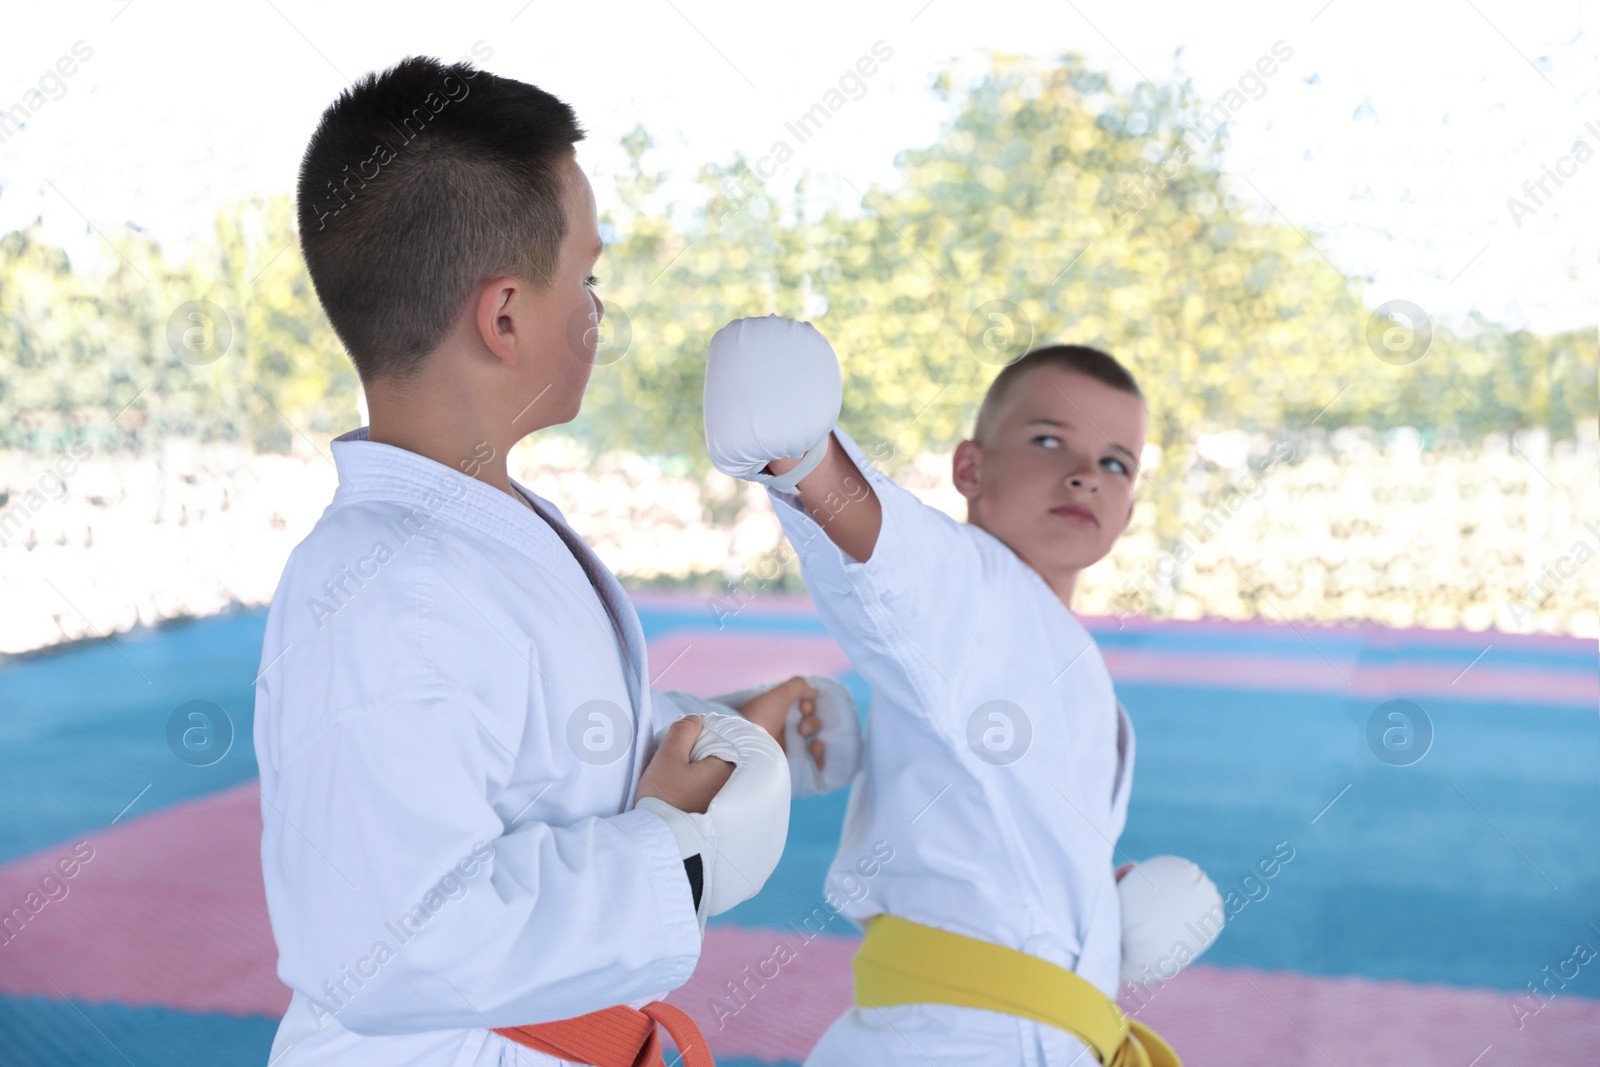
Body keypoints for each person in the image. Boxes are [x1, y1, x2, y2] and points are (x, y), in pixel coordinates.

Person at [254, 61, 858, 1067]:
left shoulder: (477, 531)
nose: (597, 309)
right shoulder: (379, 586)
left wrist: (711, 735)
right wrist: (680, 849)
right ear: (503, 317)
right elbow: (382, 945)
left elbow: (521, 771)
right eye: (587, 276)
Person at [703, 316, 1220, 1066]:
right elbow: (895, 554)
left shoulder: (1068, 661)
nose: (1084, 473)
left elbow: (1017, 842)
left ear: (1130, 511)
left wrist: (1103, 919)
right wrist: (805, 458)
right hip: (956, 1038)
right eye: (1050, 441)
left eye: (1116, 462)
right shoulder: (974, 589)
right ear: (970, 469)